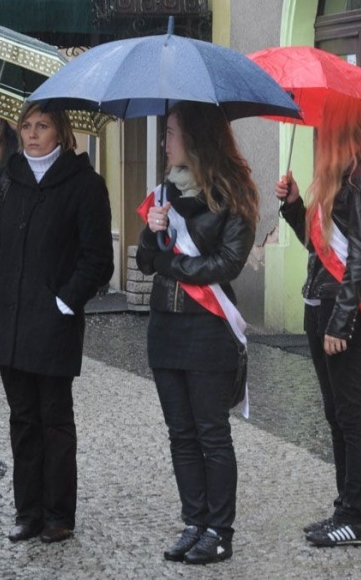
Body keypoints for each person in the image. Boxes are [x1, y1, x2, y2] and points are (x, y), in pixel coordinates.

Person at [0, 102, 114, 544]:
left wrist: (65, 302)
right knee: (22, 419)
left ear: (61, 132)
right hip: (9, 317)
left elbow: (97, 259)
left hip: (53, 322)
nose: (32, 134)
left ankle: (58, 514)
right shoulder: (9, 176)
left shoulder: (85, 185)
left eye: (42, 126)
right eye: (26, 126)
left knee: (54, 419)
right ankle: (27, 512)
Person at [275, 95, 361, 547]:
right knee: (335, 414)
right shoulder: (340, 178)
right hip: (321, 308)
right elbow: (320, 249)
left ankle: (354, 518)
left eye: (329, 125)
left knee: (351, 416)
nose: (321, 133)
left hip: (342, 315)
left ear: (348, 127)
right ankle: (342, 508)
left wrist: (341, 324)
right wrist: (294, 206)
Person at [136, 101, 257, 565]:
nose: (164, 142)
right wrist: (152, 232)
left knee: (211, 433)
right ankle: (194, 521)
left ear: (198, 138)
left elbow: (227, 263)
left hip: (208, 330)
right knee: (180, 433)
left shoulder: (235, 193)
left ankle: (218, 530)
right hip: (165, 327)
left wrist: (171, 261)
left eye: (170, 133)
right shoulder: (163, 191)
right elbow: (146, 260)